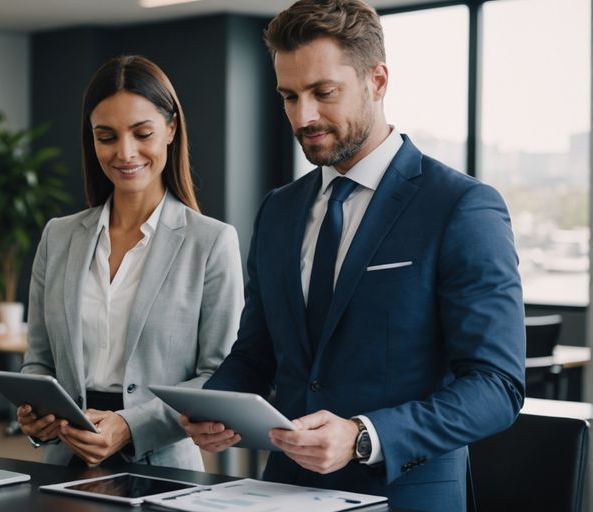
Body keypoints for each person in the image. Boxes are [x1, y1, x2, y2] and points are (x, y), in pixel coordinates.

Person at [180, 1, 525, 510]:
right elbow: (256, 352)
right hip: (281, 491)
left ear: (378, 80)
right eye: (289, 97)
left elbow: (497, 386)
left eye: (324, 93)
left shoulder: (460, 206)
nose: (304, 116)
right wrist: (218, 405)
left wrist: (364, 435)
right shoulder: (278, 210)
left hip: (404, 495)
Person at [19, 55, 244, 470]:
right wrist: (35, 413)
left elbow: (217, 376)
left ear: (171, 129)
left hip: (163, 466)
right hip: (65, 462)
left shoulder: (210, 242)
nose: (125, 153)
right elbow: (39, 360)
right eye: (106, 137)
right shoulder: (59, 236)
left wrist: (130, 424)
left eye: (142, 133)